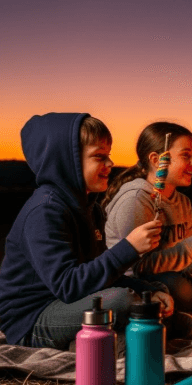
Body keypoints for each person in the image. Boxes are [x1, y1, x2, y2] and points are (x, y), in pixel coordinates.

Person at [0, 113, 166, 350]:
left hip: (72, 304)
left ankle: (88, 343)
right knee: (122, 301)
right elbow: (68, 286)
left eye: (108, 155)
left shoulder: (91, 209)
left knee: (157, 298)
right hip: (33, 317)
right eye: (99, 157)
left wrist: (149, 291)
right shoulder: (44, 212)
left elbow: (101, 273)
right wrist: (128, 248)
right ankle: (98, 341)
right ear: (68, 163)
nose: (110, 164)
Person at [103, 122, 192, 332]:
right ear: (156, 160)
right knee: (180, 288)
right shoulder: (136, 200)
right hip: (143, 286)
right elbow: (139, 268)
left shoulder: (182, 202)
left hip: (179, 280)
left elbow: (184, 266)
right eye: (186, 155)